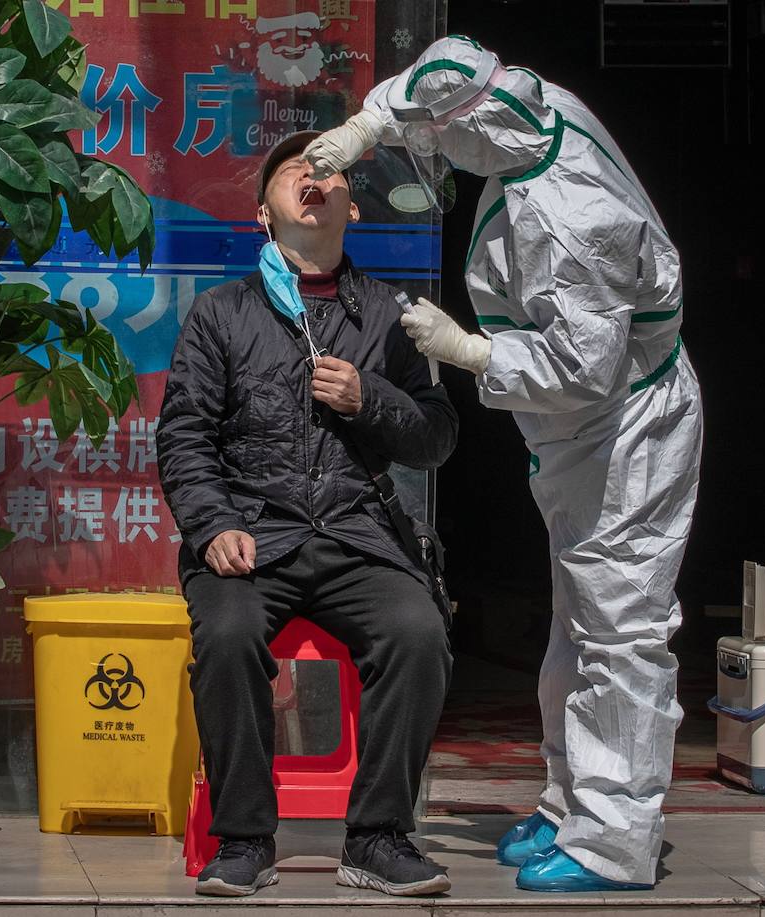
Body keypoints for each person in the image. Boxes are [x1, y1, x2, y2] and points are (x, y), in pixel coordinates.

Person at [304, 35, 702, 892]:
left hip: (622, 427)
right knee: (575, 621)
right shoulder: (526, 104)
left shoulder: (576, 218)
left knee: (619, 632)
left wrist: (472, 354)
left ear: (476, 132)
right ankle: (571, 802)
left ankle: (615, 837)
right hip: (578, 435)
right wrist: (364, 129)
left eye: (442, 145)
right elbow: (438, 74)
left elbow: (581, 370)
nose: (439, 159)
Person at [157, 131, 459, 897]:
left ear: (352, 206)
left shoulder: (393, 315)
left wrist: (373, 399)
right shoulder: (222, 313)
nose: (312, 178)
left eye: (327, 171)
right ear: (265, 213)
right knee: (226, 635)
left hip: (358, 533)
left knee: (419, 632)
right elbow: (184, 434)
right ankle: (245, 839)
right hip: (254, 534)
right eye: (294, 171)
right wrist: (213, 523)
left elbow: (437, 435)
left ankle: (380, 836)